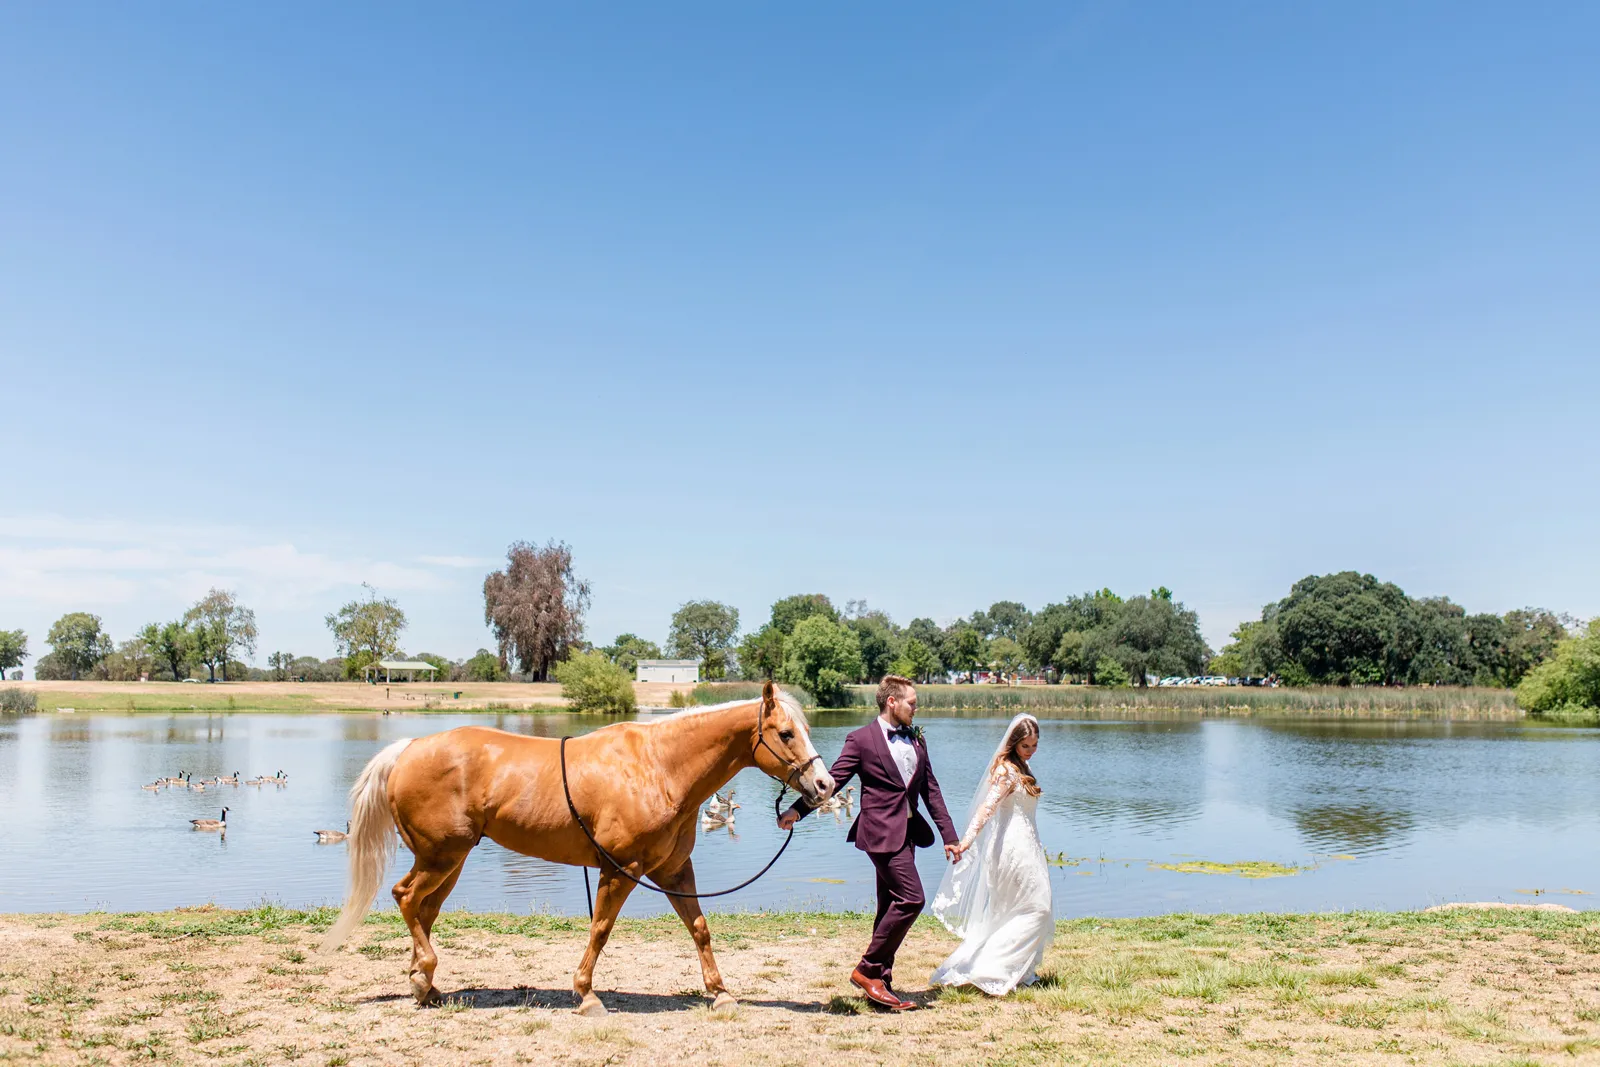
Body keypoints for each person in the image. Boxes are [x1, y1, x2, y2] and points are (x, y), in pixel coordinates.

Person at [778, 675, 961, 1011]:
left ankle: (881, 981)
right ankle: (867, 970)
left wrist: (950, 836)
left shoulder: (917, 740)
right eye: (911, 702)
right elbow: (833, 782)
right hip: (878, 833)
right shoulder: (861, 739)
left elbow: (930, 790)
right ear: (891, 702)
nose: (916, 707)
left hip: (908, 833)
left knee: (889, 905)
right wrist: (797, 810)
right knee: (912, 899)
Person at [929, 713, 1053, 995]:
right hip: (1012, 850)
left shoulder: (1022, 767)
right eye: (1026, 746)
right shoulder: (1006, 771)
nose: (1031, 751)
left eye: (1035, 745)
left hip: (1028, 846)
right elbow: (986, 809)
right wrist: (966, 842)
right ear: (1013, 744)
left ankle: (1016, 969)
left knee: (1017, 910)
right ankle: (992, 966)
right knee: (1038, 907)